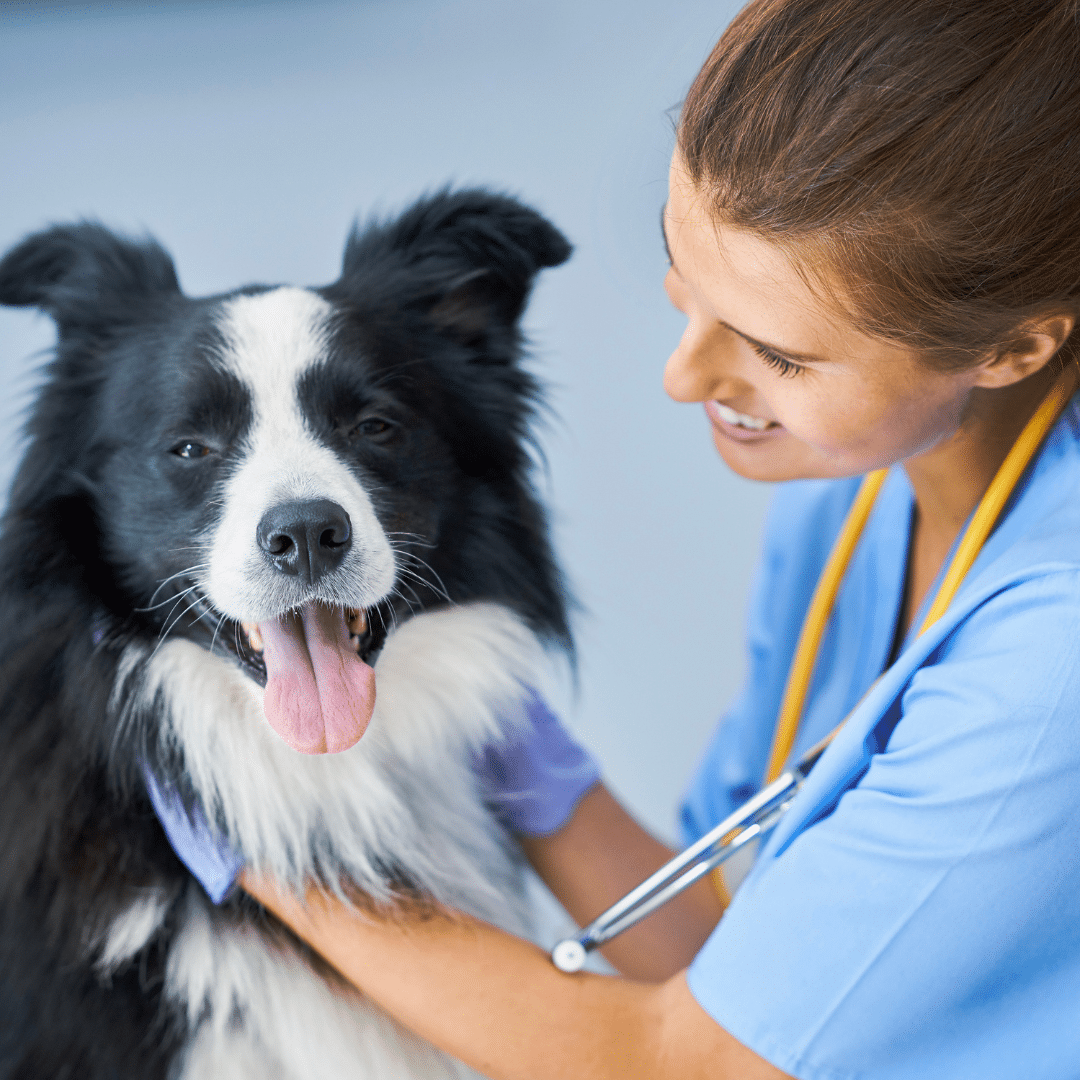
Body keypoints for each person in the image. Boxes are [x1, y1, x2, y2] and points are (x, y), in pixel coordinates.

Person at [154, 1, 1080, 1076]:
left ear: (1015, 346)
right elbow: (736, 949)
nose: (683, 378)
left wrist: (271, 869)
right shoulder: (855, 494)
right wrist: (534, 772)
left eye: (779, 355)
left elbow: (683, 1057)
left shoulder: (1053, 657)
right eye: (685, 289)